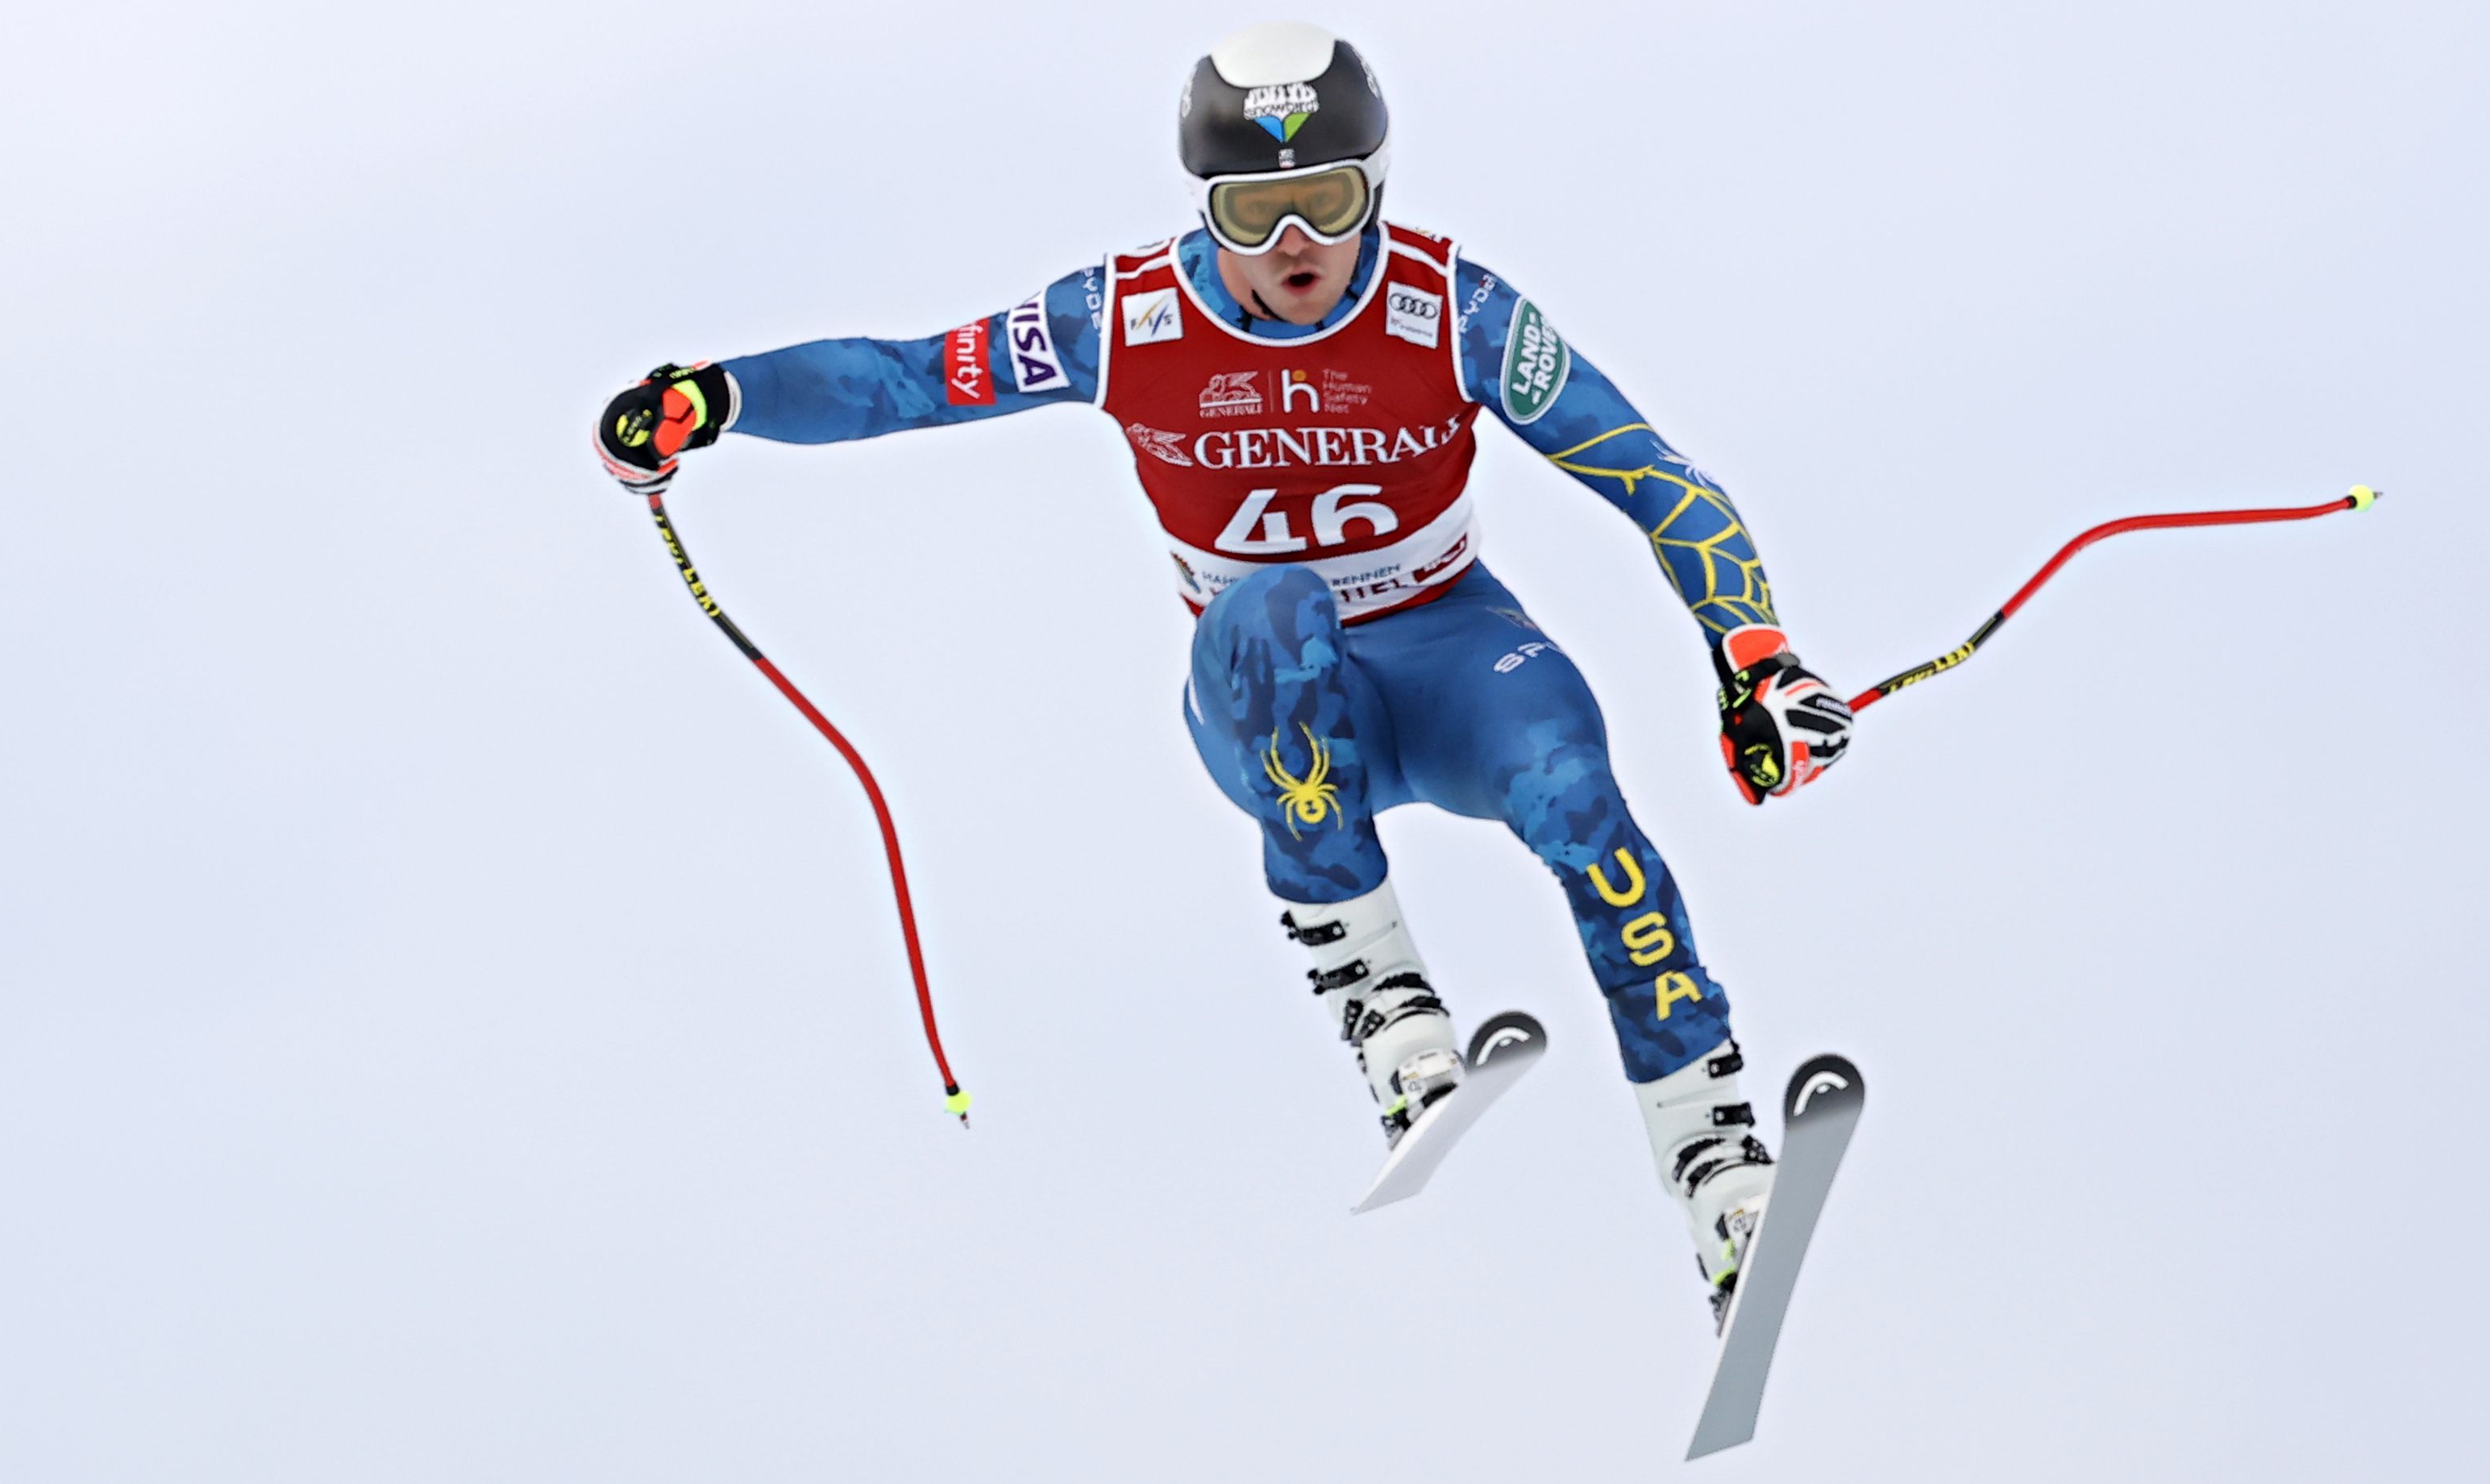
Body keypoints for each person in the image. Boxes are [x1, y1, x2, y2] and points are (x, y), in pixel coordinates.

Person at [593, 21, 1858, 1326]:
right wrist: (719, 399)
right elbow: (906, 383)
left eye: (1327, 201)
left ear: (1374, 184)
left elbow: (1658, 479)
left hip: (1452, 653)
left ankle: (1717, 1163)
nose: (1295, 245)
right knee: (1274, 608)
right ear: (1207, 209)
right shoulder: (1123, 319)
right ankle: (1385, 1006)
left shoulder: (1455, 311)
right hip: (1271, 691)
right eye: (1255, 214)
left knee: (1580, 802)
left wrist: (1753, 661)